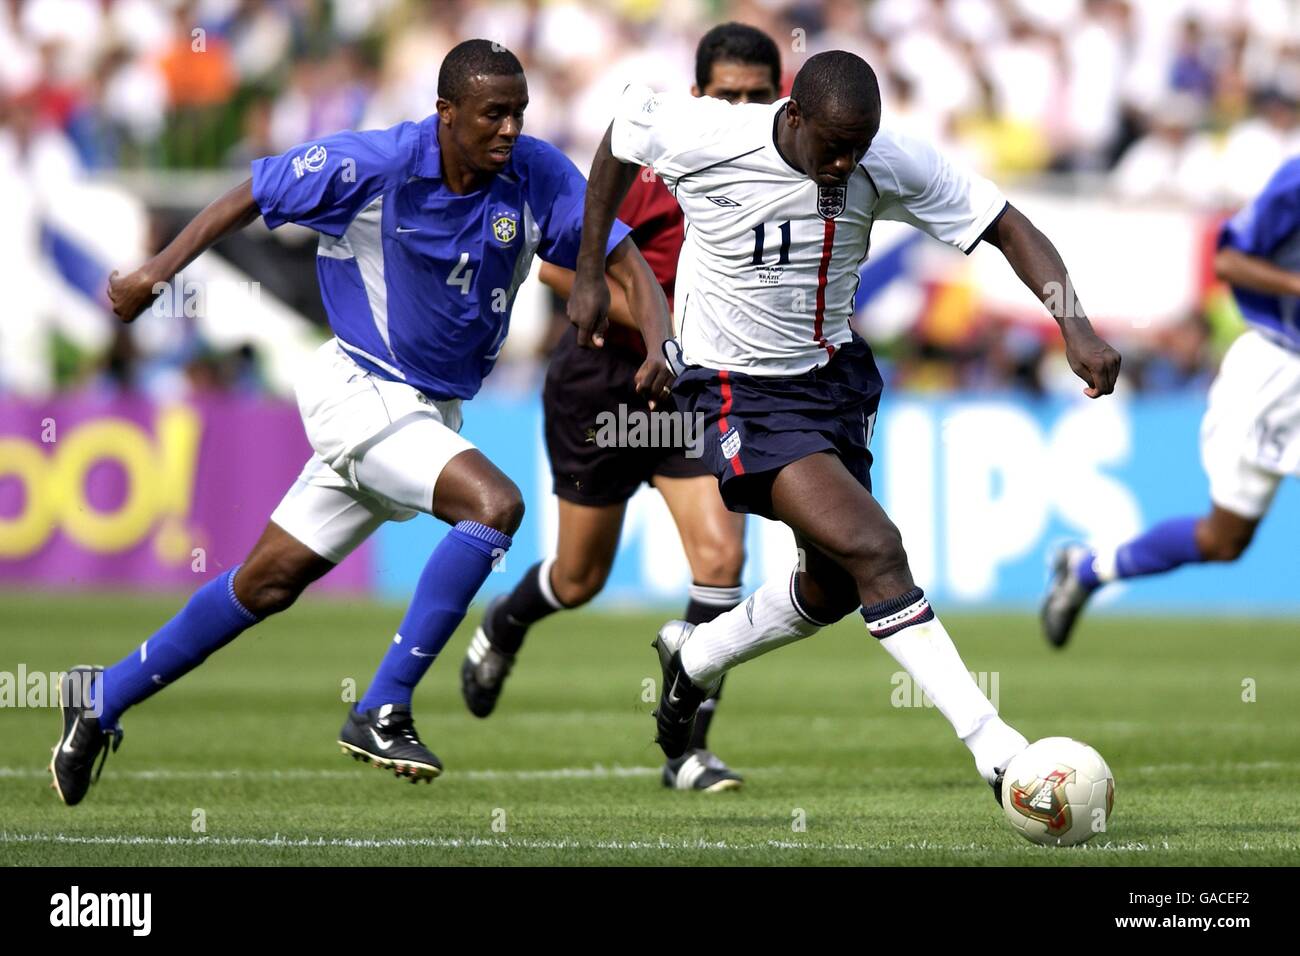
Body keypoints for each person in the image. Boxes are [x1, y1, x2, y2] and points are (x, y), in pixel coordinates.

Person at [49, 40, 673, 806]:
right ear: (446, 114)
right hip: (360, 389)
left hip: (427, 409)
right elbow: (253, 190)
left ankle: (101, 699)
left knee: (267, 582)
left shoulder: (536, 170)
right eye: (493, 114)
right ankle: (383, 704)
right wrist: (156, 271)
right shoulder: (374, 164)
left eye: (518, 112)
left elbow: (622, 258)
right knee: (495, 506)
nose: (510, 128)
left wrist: (660, 339)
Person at [568, 50, 1122, 801]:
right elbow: (618, 138)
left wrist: (1075, 326)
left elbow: (1008, 225)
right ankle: (999, 752)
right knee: (876, 549)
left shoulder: (881, 160)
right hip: (734, 388)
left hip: (830, 383)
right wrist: (596, 270)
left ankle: (694, 660)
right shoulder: (706, 132)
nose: (846, 163)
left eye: (859, 147)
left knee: (828, 588)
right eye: (833, 146)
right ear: (792, 116)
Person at [462, 22, 781, 794]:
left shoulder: (793, 174)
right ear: (699, 94)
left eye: (759, 96)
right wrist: (672, 334)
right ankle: (506, 622)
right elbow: (560, 276)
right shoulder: (651, 166)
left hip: (691, 391)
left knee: (721, 561)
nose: (741, 108)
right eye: (727, 94)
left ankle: (686, 748)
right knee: (578, 580)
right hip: (606, 386)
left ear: (782, 99)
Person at [1042, 156, 1300, 647]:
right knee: (1222, 541)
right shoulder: (1297, 180)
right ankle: (1089, 569)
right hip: (1278, 372)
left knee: (1224, 542)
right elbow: (1228, 259)